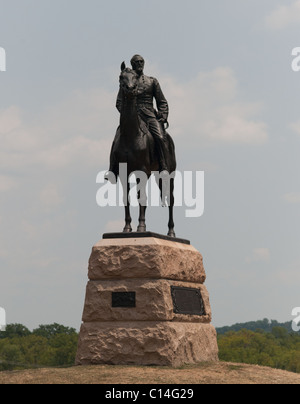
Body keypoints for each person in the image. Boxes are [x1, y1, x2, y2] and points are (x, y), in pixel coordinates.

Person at [106, 55, 170, 181]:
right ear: (132, 64)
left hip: (149, 115)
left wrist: (163, 115)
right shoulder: (128, 80)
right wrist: (126, 114)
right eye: (136, 62)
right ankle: (112, 170)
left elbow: (162, 101)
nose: (139, 64)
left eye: (141, 61)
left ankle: (163, 166)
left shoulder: (152, 81)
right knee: (117, 137)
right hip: (132, 116)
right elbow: (119, 102)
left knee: (160, 136)